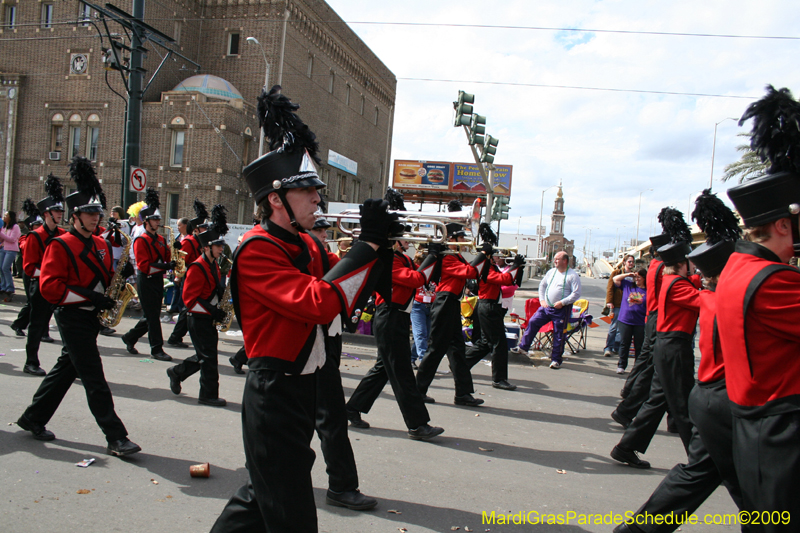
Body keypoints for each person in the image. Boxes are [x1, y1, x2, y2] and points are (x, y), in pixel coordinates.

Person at [211, 86, 393, 532]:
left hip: (303, 385)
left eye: (317, 191)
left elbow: (346, 298)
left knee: (259, 500)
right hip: (274, 389)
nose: (318, 199)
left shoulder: (307, 244)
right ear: (276, 199)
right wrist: (366, 246)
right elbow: (319, 302)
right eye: (308, 191)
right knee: (290, 512)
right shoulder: (257, 249)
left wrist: (379, 248)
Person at [614, 190, 746, 533]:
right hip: (672, 343)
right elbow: (705, 301)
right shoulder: (675, 282)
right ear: (681, 263)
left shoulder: (670, 275)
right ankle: (696, 455)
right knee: (682, 404)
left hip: (670, 341)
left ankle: (629, 441)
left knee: (661, 397)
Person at [715, 85, 800, 527]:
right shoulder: (774, 281)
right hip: (780, 431)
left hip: (758, 428)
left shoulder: (738, 267)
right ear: (784, 225)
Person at [16, 156, 140, 457]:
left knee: (65, 369)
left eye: (97, 213)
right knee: (93, 376)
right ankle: (116, 437)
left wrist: (120, 274)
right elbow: (50, 288)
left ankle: (33, 417)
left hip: (92, 316)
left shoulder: (100, 244)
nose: (96, 218)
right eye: (89, 213)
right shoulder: (59, 245)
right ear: (75, 216)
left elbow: (104, 277)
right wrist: (90, 297)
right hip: (72, 315)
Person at [611, 210, 700, 469]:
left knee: (657, 391)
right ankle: (701, 459)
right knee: (678, 399)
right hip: (666, 330)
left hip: (661, 327)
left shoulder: (657, 267)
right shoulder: (666, 273)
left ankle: (627, 436)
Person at [346, 230, 445, 440]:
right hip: (390, 316)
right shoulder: (388, 259)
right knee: (403, 373)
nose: (409, 240)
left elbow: (426, 278)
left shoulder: (403, 258)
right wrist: (432, 255)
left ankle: (352, 408)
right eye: (403, 236)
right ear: (393, 240)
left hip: (396, 317)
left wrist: (437, 257)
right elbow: (416, 279)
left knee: (383, 369)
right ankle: (417, 424)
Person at [415, 204, 488, 407]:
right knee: (435, 349)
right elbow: (470, 272)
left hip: (452, 303)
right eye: (461, 237)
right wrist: (483, 254)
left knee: (457, 351)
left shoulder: (455, 255)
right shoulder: (447, 256)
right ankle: (417, 390)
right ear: (452, 239)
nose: (464, 240)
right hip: (445, 302)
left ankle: (463, 393)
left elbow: (473, 272)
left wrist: (485, 254)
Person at [613, 228, 670, 425]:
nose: (636, 278)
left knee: (645, 359)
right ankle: (627, 404)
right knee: (651, 369)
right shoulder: (659, 269)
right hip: (653, 321)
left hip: (646, 320)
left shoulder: (654, 269)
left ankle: (628, 396)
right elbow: (615, 280)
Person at [19, 175, 67, 376]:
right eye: (57, 211)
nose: (60, 214)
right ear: (47, 214)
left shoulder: (63, 234)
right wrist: (51, 272)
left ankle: (70, 365)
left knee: (67, 327)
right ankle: (31, 362)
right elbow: (29, 268)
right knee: (37, 325)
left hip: (59, 286)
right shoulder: (34, 236)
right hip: (40, 286)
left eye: (61, 211)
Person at [121, 188, 175, 361]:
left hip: (158, 280)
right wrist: (165, 266)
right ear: (146, 221)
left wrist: (174, 253)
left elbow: (167, 257)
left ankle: (130, 337)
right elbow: (144, 266)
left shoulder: (160, 239)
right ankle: (156, 349)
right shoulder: (141, 240)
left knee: (151, 316)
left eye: (158, 219)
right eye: (154, 219)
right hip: (146, 280)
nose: (158, 222)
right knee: (153, 317)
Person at [465, 239, 526, 390]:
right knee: (499, 344)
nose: (497, 256)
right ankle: (499, 379)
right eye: (493, 254)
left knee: (486, 343)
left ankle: (461, 365)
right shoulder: (485, 268)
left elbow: (512, 282)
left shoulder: (490, 266)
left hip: (490, 306)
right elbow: (504, 279)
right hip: (488, 306)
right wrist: (515, 266)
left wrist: (519, 268)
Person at [512, 250, 581, 369]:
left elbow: (576, 293)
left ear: (565, 261)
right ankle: (524, 347)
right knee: (533, 322)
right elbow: (542, 286)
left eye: (557, 259)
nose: (555, 261)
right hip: (546, 307)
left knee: (559, 334)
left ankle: (556, 359)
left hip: (561, 309)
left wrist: (562, 302)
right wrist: (542, 300)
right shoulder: (551, 272)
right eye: (555, 259)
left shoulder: (572, 275)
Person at [167, 200, 207, 348]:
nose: (205, 230)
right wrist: (178, 277)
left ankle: (178, 336)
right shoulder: (188, 241)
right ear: (196, 230)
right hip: (189, 277)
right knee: (188, 308)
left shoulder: (201, 241)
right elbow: (181, 262)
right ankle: (175, 337)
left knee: (190, 309)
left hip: (198, 277)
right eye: (203, 228)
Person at [10, 199, 44, 336]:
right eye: (37, 225)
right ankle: (19, 324)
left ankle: (41, 330)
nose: (39, 227)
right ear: (31, 227)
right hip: (30, 272)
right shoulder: (26, 237)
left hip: (42, 271)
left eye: (41, 225)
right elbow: (24, 247)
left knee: (41, 303)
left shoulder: (44, 236)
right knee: (31, 301)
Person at [612, 267, 647, 374]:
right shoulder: (628, 285)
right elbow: (615, 279)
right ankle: (621, 365)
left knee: (639, 345)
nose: (637, 279)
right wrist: (628, 275)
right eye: (635, 277)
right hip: (625, 320)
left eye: (639, 277)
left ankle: (638, 367)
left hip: (640, 321)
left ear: (644, 278)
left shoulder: (648, 290)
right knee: (624, 343)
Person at [604, 255, 635, 356]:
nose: (631, 263)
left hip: (629, 305)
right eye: (629, 261)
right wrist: (609, 301)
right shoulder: (617, 273)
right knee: (614, 326)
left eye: (632, 262)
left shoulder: (634, 275)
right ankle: (608, 347)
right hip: (617, 304)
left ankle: (616, 347)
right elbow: (610, 288)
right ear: (624, 262)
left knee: (622, 328)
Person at [409, 249, 435, 369]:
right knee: (420, 334)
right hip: (418, 305)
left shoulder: (433, 271)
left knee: (425, 335)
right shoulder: (415, 270)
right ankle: (424, 361)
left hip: (430, 305)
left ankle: (411, 358)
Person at [0, 210, 21, 301]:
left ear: (10, 217)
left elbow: (12, 239)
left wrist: (1, 234)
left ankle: (10, 287)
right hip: (3, 248)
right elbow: (2, 239)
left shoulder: (15, 227)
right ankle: (3, 286)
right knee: (1, 268)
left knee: (5, 267)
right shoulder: (4, 227)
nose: (4, 217)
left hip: (11, 250)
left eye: (6, 215)